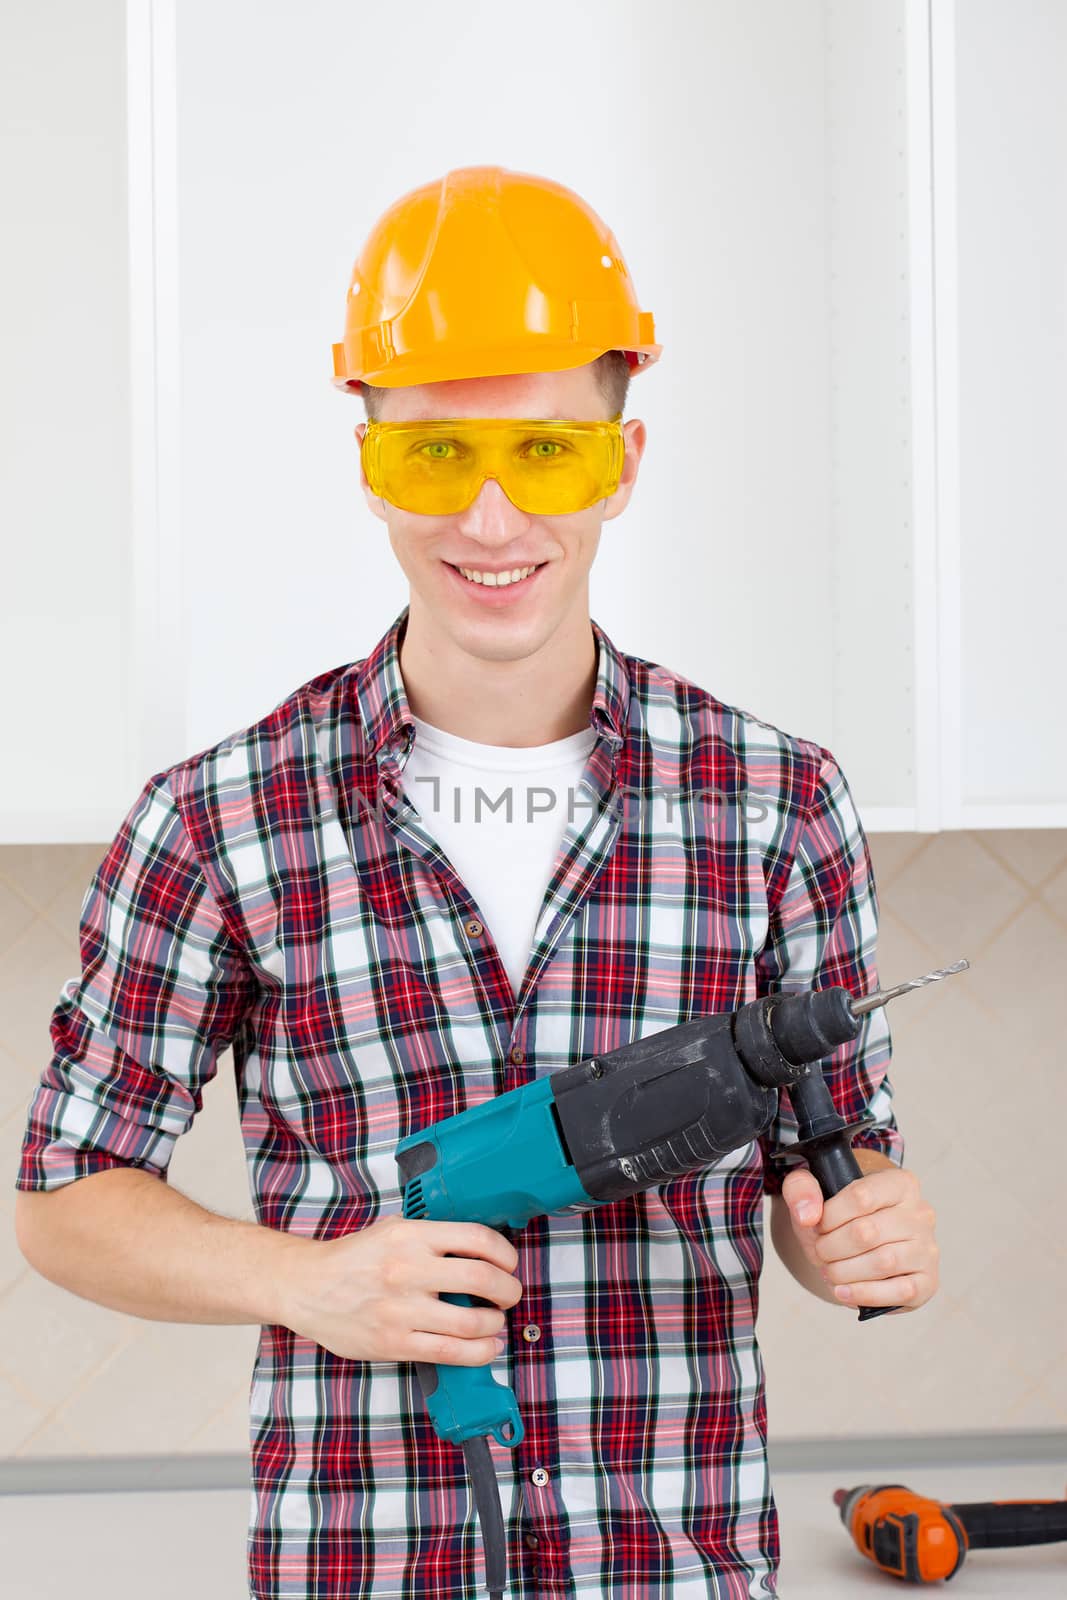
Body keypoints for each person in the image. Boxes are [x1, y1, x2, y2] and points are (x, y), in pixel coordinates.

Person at [14, 165, 939, 1599]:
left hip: (677, 1565)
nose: (495, 523)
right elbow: (66, 1194)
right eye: (437, 458)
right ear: (369, 460)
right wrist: (306, 1280)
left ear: (624, 463)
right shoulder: (219, 816)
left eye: (549, 454)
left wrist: (858, 1236)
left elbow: (837, 1169)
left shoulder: (776, 802)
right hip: (365, 1563)